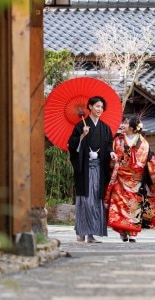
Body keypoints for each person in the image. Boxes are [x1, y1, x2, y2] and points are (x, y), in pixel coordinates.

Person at [105, 116, 155, 242]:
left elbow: (144, 160)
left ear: (132, 128)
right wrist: (116, 158)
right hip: (121, 177)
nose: (123, 125)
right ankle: (122, 232)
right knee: (119, 205)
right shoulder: (117, 140)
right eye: (123, 122)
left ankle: (132, 232)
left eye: (126, 123)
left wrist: (153, 163)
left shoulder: (143, 143)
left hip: (135, 180)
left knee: (134, 207)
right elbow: (114, 156)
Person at [68, 96, 117, 243]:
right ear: (89, 107)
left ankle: (91, 234)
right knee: (84, 200)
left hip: (99, 169)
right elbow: (71, 145)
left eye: (101, 107)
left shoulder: (105, 128)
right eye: (97, 106)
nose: (99, 109)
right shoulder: (80, 126)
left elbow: (109, 145)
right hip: (84, 169)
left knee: (96, 200)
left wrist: (111, 152)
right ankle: (81, 233)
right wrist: (82, 136)